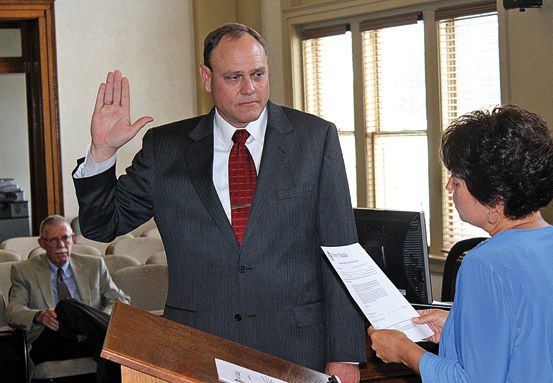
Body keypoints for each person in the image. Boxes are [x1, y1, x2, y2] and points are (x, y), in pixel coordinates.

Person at [72, 23, 365, 382]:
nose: (250, 89)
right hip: (198, 348)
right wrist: (102, 153)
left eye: (258, 74)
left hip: (298, 347)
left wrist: (346, 355)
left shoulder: (315, 139)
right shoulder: (167, 148)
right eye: (233, 77)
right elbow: (101, 225)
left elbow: (341, 252)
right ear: (206, 78)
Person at [368, 105, 553, 381]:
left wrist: (404, 351)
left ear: (494, 197)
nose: (449, 188)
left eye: (456, 180)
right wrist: (456, 328)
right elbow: (534, 341)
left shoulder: (486, 263)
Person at [6, 215, 129, 382]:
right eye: (53, 240)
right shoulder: (24, 271)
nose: (61, 245)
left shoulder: (93, 265)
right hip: (51, 341)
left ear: (72, 238)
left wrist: (101, 319)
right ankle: (124, 336)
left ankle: (110, 334)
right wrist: (39, 316)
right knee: (66, 308)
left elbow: (119, 299)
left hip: (89, 339)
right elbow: (13, 311)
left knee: (107, 348)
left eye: (65, 238)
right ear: (42, 244)